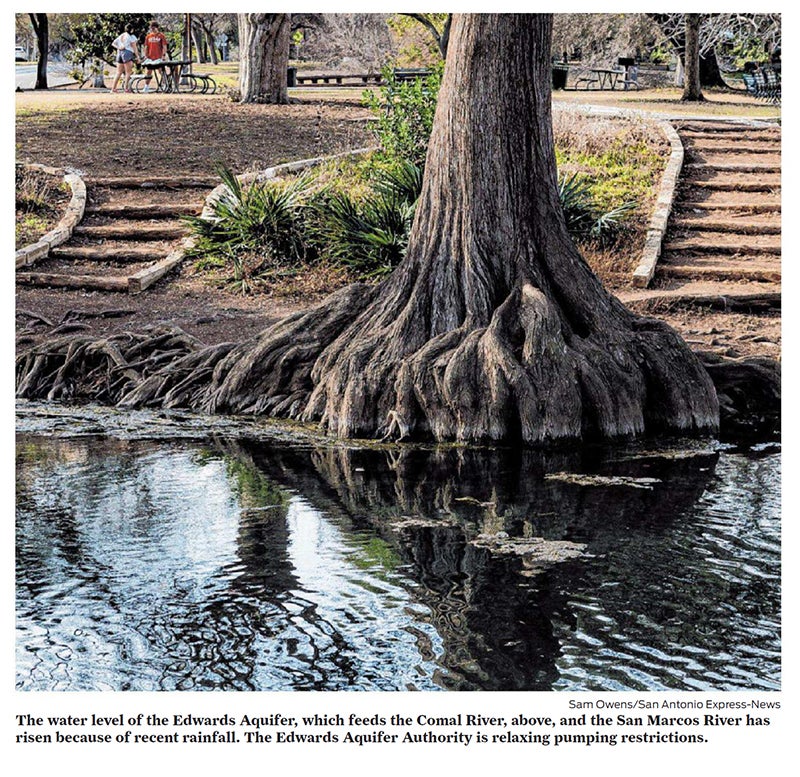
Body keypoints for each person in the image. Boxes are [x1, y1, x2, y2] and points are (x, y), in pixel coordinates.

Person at [111, 24, 140, 93]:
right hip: (127, 53)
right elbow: (134, 47)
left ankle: (113, 89)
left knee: (118, 72)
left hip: (120, 53)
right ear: (131, 29)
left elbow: (113, 43)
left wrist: (119, 47)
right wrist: (137, 57)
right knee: (128, 72)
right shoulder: (132, 37)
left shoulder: (122, 35)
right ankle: (126, 88)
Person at [141, 21, 169, 93]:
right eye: (151, 28)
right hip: (150, 57)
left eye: (153, 28)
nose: (152, 30)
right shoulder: (148, 36)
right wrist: (145, 55)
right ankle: (146, 87)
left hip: (158, 57)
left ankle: (165, 84)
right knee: (148, 72)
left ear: (157, 28)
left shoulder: (161, 36)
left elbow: (164, 46)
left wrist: (163, 55)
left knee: (161, 71)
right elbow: (146, 47)